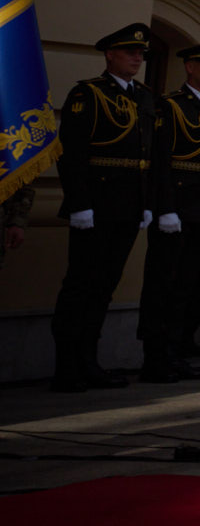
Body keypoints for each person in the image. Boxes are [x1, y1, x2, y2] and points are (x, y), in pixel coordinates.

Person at [49, 24, 163, 394]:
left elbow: (148, 155)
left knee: (104, 287)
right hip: (95, 207)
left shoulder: (145, 97)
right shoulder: (88, 94)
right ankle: (67, 367)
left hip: (128, 208)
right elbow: (73, 154)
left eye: (141, 54)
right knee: (80, 286)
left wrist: (147, 204)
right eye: (130, 52)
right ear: (110, 54)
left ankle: (89, 361)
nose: (137, 58)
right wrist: (79, 204)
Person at [140, 38, 200, 381]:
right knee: (162, 284)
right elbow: (160, 162)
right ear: (190, 67)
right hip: (177, 209)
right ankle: (155, 358)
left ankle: (175, 352)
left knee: (187, 286)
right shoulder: (169, 106)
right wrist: (164, 208)